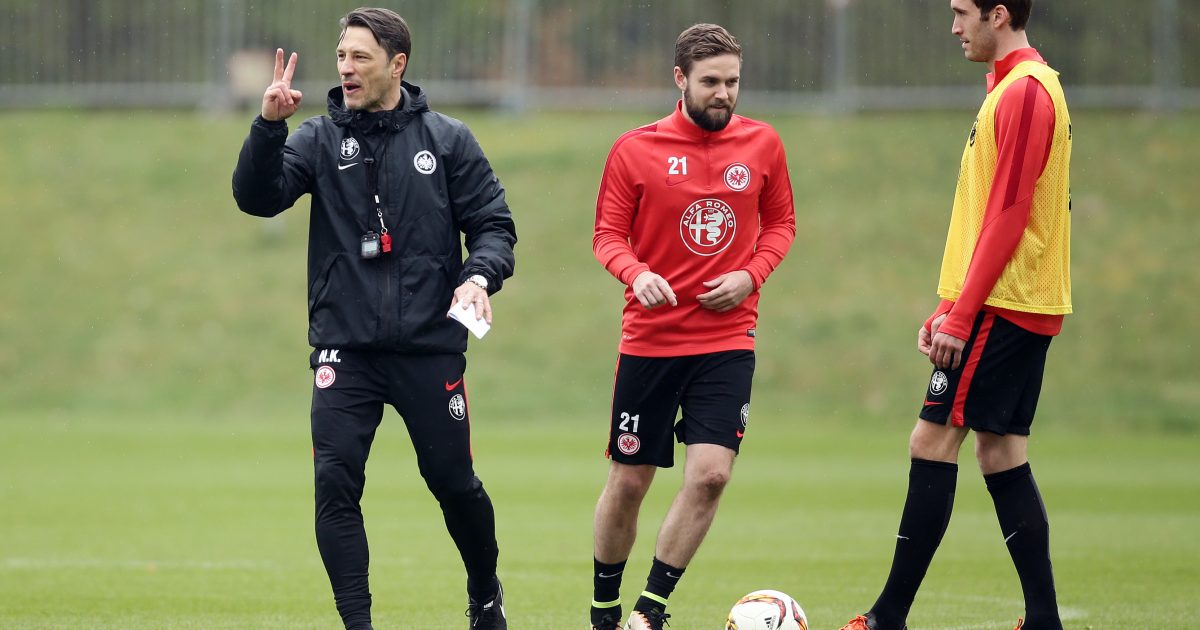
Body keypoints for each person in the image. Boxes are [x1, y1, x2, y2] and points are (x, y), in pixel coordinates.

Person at [231, 8, 515, 630]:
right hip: (345, 349)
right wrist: (268, 127)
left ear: (397, 64)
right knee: (335, 485)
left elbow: (494, 227)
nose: (346, 68)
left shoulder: (448, 140)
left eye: (360, 56)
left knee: (453, 482)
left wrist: (477, 276)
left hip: (428, 347)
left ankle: (485, 594)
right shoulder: (317, 139)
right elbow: (257, 198)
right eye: (341, 56)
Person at [840, 2, 1072, 630]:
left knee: (932, 441)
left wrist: (964, 316)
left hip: (1005, 303)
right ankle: (1043, 620)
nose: (954, 27)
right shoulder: (1010, 87)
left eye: (962, 12)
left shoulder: (1025, 92)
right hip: (1010, 302)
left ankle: (887, 619)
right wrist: (948, 305)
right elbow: (986, 215)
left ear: (999, 14)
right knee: (1001, 452)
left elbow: (1010, 213)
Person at [589, 23, 796, 630]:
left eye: (732, 81)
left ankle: (649, 612)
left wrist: (752, 275)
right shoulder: (635, 149)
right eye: (710, 82)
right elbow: (606, 237)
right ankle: (603, 612)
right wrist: (637, 273)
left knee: (710, 476)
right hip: (651, 342)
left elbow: (782, 225)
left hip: (727, 341)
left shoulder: (763, 145)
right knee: (630, 482)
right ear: (679, 79)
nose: (724, 93)